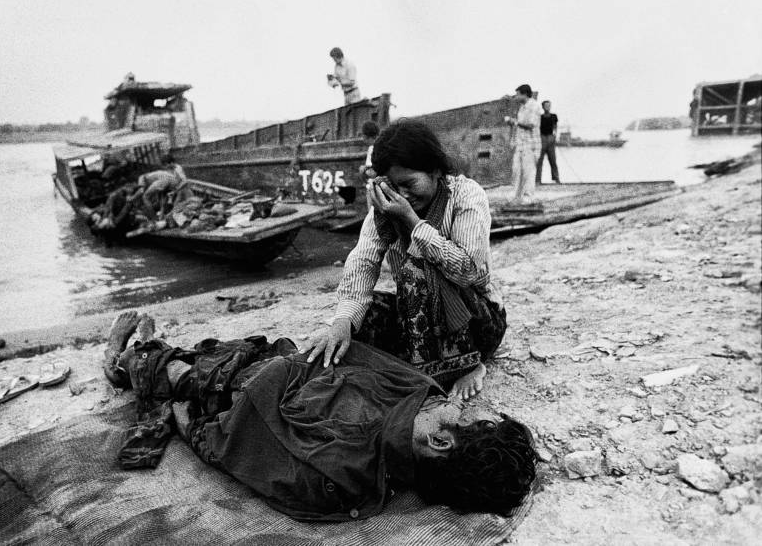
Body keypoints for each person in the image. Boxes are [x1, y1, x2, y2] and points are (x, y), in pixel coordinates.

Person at [102, 311, 537, 521]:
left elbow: (237, 443)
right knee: (233, 354)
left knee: (180, 373)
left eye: (459, 411)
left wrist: (185, 421)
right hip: (275, 364)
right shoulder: (418, 401)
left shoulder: (336, 473)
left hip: (237, 394)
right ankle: (159, 351)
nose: (454, 401)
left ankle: (125, 358)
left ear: (441, 442)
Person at [306, 121, 506, 402]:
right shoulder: (389, 206)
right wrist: (343, 320)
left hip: (478, 321)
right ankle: (419, 361)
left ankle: (470, 365)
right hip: (422, 321)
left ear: (436, 170)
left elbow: (468, 270)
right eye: (395, 186)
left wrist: (412, 222)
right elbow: (364, 259)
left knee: (415, 271)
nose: (404, 195)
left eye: (410, 184)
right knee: (362, 315)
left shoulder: (466, 196)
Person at [504, 84, 542, 203]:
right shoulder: (522, 107)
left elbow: (531, 124)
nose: (517, 97)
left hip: (531, 144)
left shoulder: (534, 106)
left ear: (525, 94)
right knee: (517, 171)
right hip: (520, 144)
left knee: (528, 171)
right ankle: (517, 195)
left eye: (518, 94)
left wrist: (514, 122)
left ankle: (528, 196)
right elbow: (520, 125)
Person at [136, 154, 192, 220]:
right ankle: (161, 216)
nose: (165, 167)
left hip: (182, 190)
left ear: (171, 162)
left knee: (176, 205)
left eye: (166, 165)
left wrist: (175, 191)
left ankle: (163, 217)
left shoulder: (177, 168)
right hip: (176, 189)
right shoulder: (171, 169)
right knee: (163, 197)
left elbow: (185, 181)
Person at [537, 100, 560, 184]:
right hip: (542, 138)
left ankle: (556, 178)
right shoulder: (540, 117)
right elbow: (537, 128)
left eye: (549, 105)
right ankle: (538, 180)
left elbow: (555, 127)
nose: (547, 107)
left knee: (553, 160)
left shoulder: (554, 116)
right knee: (539, 161)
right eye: (546, 106)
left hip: (550, 138)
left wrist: (554, 136)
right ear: (543, 107)